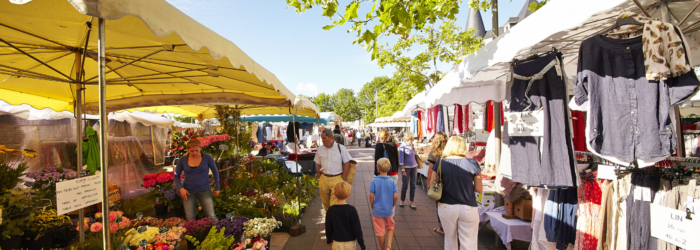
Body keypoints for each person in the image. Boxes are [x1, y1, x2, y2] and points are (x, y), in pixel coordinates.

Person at [428, 136, 483, 250]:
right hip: (468, 207)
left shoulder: (441, 162)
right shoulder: (472, 163)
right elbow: (479, 189)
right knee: (469, 243)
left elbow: (432, 184)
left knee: (449, 240)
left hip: (446, 206)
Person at [174, 138, 220, 221]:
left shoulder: (207, 158)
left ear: (201, 148)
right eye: (191, 151)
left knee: (211, 216)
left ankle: (219, 232)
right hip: (188, 192)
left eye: (197, 150)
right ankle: (194, 234)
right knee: (190, 218)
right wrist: (181, 188)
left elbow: (215, 172)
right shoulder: (182, 160)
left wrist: (217, 187)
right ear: (187, 150)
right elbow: (176, 175)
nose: (194, 153)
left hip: (204, 190)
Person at [314, 129, 353, 211]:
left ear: (331, 137)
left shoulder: (340, 148)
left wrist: (342, 179)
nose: (322, 140)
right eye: (322, 138)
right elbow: (318, 164)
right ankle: (329, 221)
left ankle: (333, 221)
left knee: (334, 205)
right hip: (323, 178)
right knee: (325, 205)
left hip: (337, 178)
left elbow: (347, 163)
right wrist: (319, 178)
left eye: (324, 138)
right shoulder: (320, 149)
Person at [325, 182, 366, 250]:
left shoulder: (331, 210)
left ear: (335, 194)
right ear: (348, 195)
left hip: (337, 242)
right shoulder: (352, 210)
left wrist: (329, 239)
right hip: (350, 242)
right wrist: (362, 244)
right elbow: (357, 229)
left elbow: (328, 227)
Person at [370, 158, 398, 250]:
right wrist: (392, 205)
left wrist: (372, 205)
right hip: (388, 210)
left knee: (380, 231)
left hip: (377, 210)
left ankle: (382, 248)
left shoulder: (374, 181)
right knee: (390, 226)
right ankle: (388, 247)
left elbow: (371, 196)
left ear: (378, 169)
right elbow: (395, 196)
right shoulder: (392, 182)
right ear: (389, 168)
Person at [427, 132, 448, 235]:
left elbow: (431, 170)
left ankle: (442, 227)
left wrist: (428, 183)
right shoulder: (449, 152)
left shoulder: (433, 153)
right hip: (448, 182)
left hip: (438, 184)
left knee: (439, 205)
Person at [398, 131, 418, 210]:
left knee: (413, 185)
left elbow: (414, 156)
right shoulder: (402, 146)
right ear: (407, 139)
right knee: (405, 185)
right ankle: (402, 200)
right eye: (411, 139)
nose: (412, 141)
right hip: (406, 167)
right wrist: (403, 170)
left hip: (414, 167)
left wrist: (415, 150)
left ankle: (412, 201)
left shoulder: (412, 145)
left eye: (412, 139)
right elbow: (401, 160)